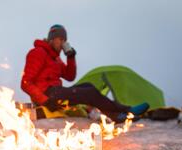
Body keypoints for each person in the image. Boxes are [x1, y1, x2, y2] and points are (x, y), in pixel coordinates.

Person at [21, 24, 149, 123]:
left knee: (88, 85)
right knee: (89, 93)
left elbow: (70, 76)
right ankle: (125, 111)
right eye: (60, 39)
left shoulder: (56, 58)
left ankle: (118, 114)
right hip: (48, 95)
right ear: (52, 39)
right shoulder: (38, 53)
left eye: (64, 40)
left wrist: (71, 57)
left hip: (56, 92)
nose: (63, 44)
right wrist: (45, 101)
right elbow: (25, 83)